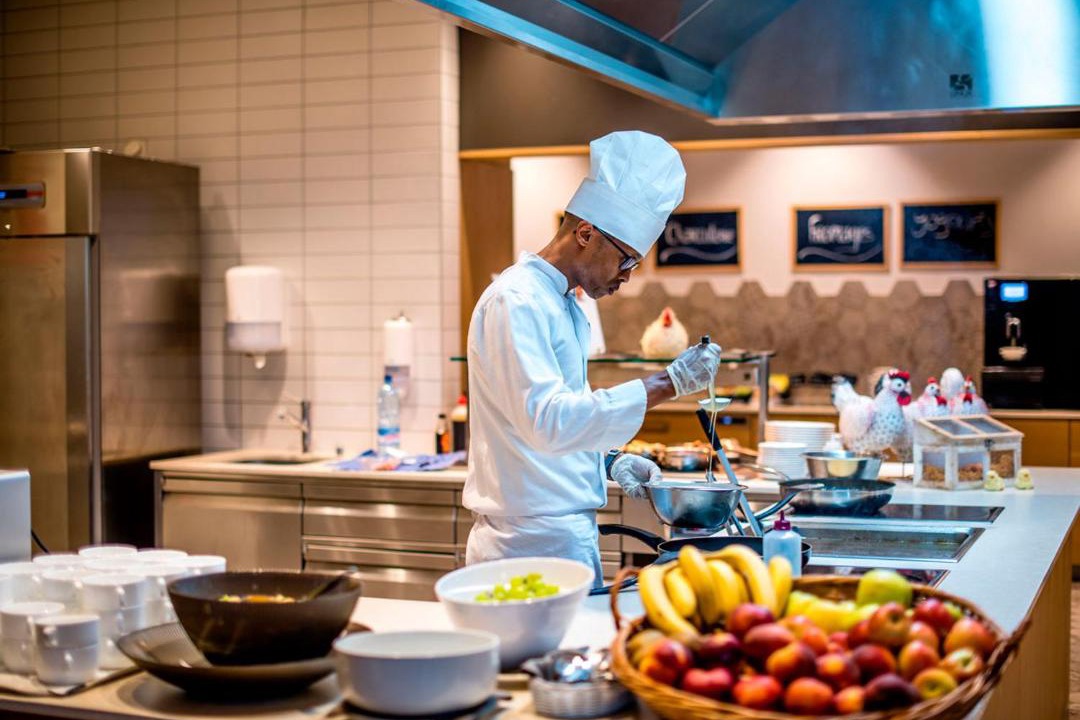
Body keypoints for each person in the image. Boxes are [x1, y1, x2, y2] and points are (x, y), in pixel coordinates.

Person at [462, 131, 723, 583]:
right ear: (585, 233)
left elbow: (555, 424)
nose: (626, 278)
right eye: (626, 261)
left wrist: (604, 460)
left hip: (559, 535)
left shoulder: (563, 303)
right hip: (525, 545)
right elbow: (547, 422)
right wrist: (669, 382)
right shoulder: (516, 300)